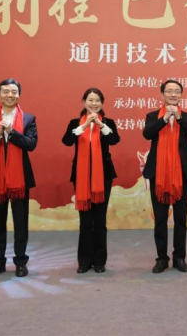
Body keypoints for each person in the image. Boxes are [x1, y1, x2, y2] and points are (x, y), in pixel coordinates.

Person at [0, 78, 37, 278]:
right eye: (6, 92)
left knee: (21, 224)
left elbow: (31, 144)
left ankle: (20, 262)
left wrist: (12, 132)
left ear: (19, 95)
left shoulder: (28, 119)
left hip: (20, 180)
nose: (10, 95)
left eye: (14, 92)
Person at [143, 80, 187, 273]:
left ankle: (179, 258)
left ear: (181, 95)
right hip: (158, 174)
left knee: (180, 219)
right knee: (160, 219)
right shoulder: (153, 116)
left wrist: (179, 118)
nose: (173, 94)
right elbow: (147, 134)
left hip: (181, 174)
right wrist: (165, 119)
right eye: (169, 91)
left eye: (177, 91)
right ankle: (161, 258)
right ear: (162, 95)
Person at [62, 87, 120, 273]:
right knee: (85, 221)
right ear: (84, 102)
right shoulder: (75, 123)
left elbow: (114, 140)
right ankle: (84, 261)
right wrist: (85, 125)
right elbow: (67, 141)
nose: (94, 103)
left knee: (100, 220)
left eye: (97, 100)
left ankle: (100, 261)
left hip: (103, 176)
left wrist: (100, 125)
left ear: (102, 103)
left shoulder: (108, 123)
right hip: (81, 177)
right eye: (90, 100)